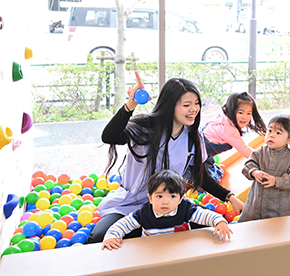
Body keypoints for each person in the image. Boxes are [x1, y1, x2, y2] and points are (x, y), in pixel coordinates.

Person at [87, 74, 244, 243]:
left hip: (170, 204)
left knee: (216, 228)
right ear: (170, 106)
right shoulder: (145, 127)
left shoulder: (193, 136)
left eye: (197, 103)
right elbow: (109, 136)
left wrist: (230, 197)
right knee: (99, 238)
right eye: (186, 105)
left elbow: (200, 175)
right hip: (130, 205)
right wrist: (131, 103)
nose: (194, 109)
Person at [101, 169, 231, 250]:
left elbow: (205, 215)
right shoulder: (145, 213)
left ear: (180, 199)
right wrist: (112, 236)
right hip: (153, 251)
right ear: (150, 198)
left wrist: (219, 221)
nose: (165, 201)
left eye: (172, 196)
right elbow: (123, 224)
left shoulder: (185, 209)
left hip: (181, 250)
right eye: (159, 196)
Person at [237, 114, 290, 222]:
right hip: (256, 205)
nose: (272, 135)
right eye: (270, 131)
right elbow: (248, 165)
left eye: (278, 133)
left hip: (280, 208)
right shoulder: (260, 152)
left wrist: (276, 181)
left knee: (279, 228)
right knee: (248, 226)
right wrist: (254, 172)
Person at [201, 92, 266, 181]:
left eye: (248, 113)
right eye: (241, 112)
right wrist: (261, 159)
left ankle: (213, 170)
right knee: (208, 180)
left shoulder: (224, 116)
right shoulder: (229, 129)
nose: (245, 117)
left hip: (202, 143)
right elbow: (244, 150)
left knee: (208, 166)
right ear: (232, 110)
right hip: (201, 151)